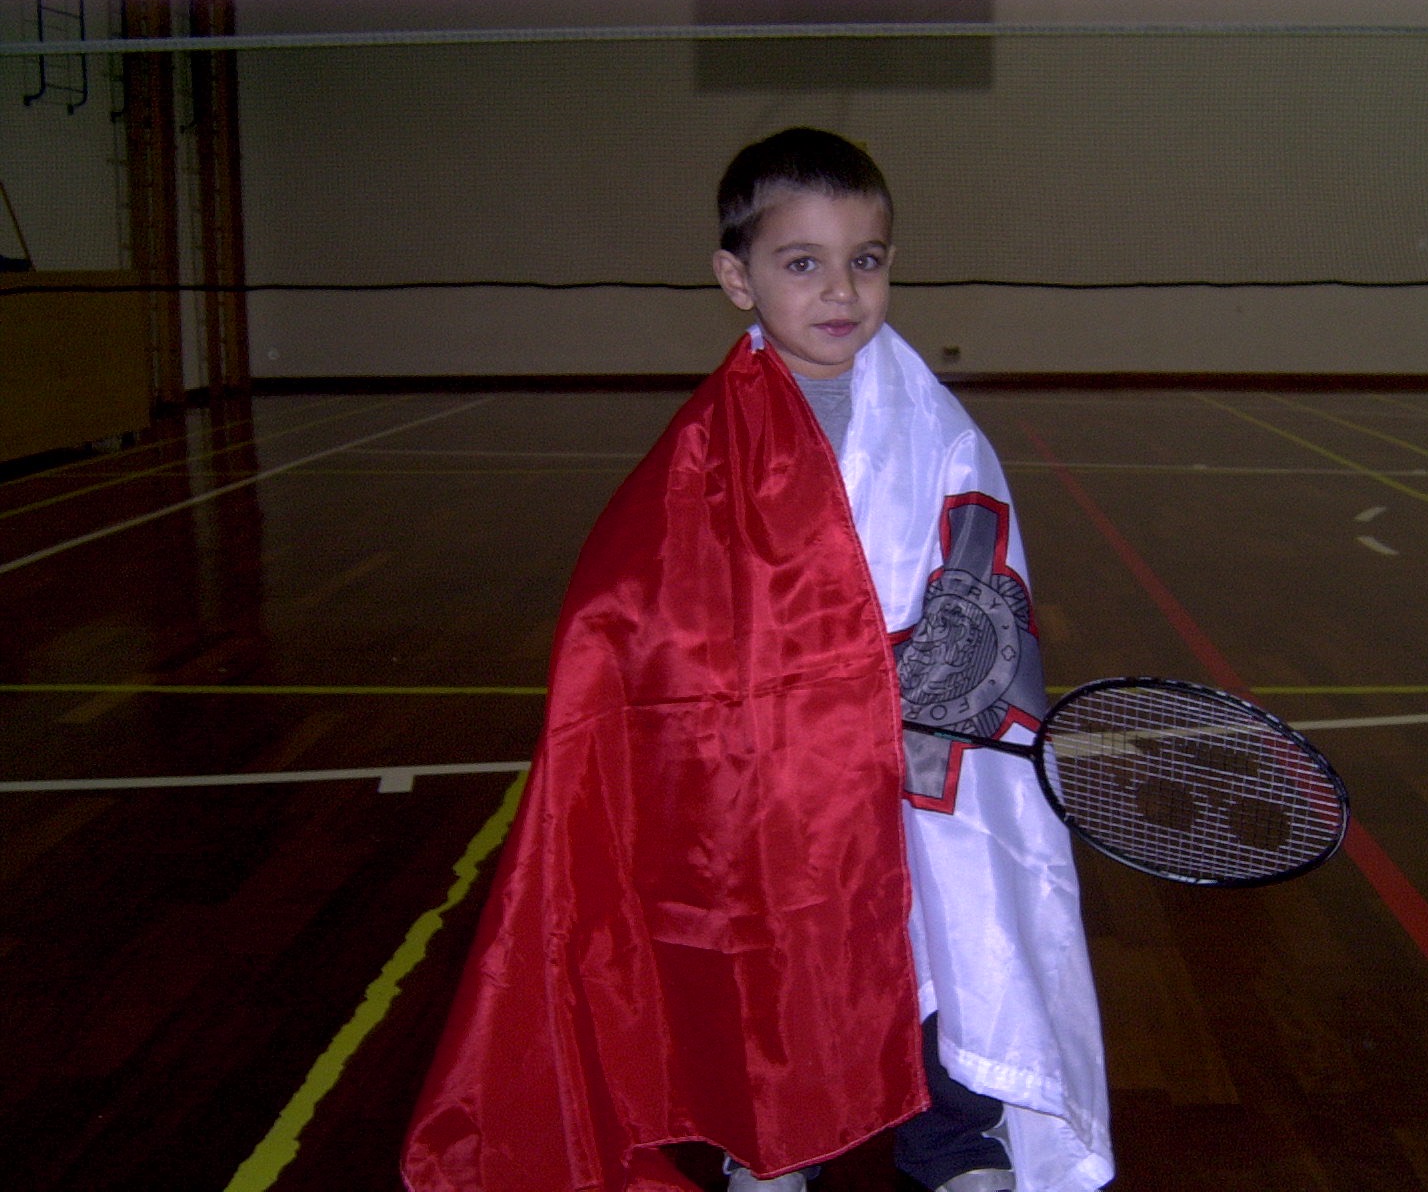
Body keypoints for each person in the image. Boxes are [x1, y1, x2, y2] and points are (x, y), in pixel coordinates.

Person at [402, 128, 1112, 1192]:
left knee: (949, 935)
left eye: (866, 259)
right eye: (802, 262)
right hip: (771, 766)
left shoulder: (941, 431)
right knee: (776, 945)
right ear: (736, 277)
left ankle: (950, 1136)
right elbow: (638, 607)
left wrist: (933, 676)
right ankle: (769, 1134)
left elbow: (980, 568)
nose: (841, 290)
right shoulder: (704, 444)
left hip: (925, 764)